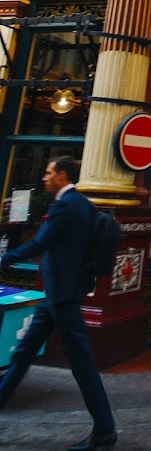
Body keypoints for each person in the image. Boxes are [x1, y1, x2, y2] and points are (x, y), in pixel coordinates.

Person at [0, 156, 117, 451]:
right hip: (58, 293)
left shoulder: (67, 205)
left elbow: (41, 242)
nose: (44, 178)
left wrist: (7, 258)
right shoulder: (81, 204)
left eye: (49, 173)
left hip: (61, 296)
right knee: (25, 350)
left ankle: (105, 430)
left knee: (82, 365)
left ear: (63, 176)